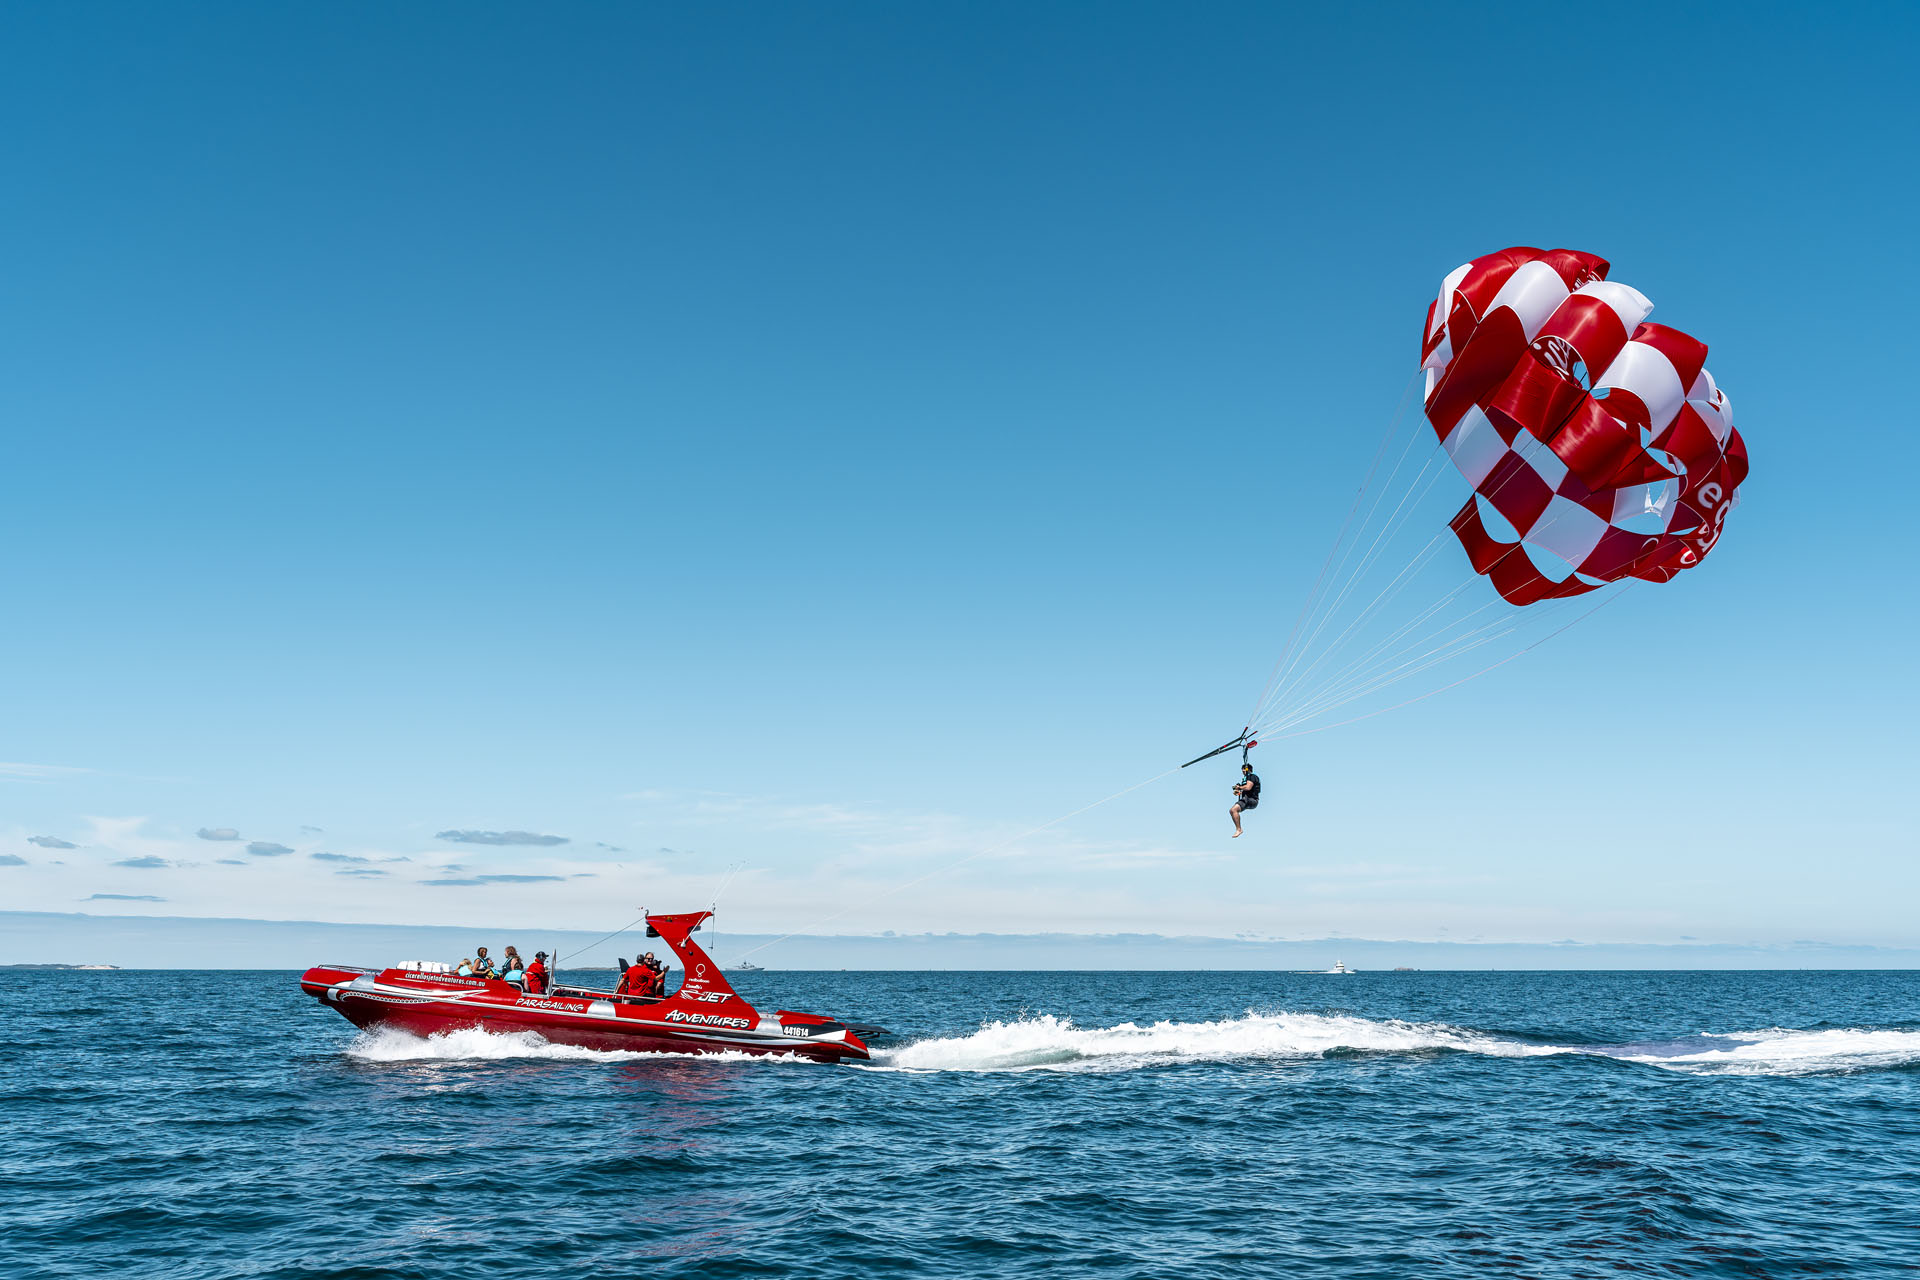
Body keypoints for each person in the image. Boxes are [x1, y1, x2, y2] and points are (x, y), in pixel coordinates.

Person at [1230, 761, 1261, 838]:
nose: (1243, 771)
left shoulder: (1252, 776)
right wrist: (1238, 791)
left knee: (1234, 810)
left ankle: (1239, 829)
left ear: (1248, 769)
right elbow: (1245, 789)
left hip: (1252, 800)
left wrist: (1240, 787)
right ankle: (1238, 829)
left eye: (1244, 769)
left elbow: (1248, 787)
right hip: (1247, 799)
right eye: (1242, 769)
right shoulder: (1246, 779)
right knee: (1232, 811)